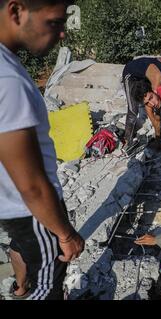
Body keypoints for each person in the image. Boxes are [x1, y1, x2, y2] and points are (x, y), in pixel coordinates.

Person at [0, 0, 84, 300]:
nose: (62, 33)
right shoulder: (8, 80)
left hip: (13, 207)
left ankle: (20, 288)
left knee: (25, 256)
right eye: (54, 22)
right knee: (48, 289)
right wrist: (67, 234)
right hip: (30, 211)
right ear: (16, 11)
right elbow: (32, 185)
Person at [122, 57, 161, 147]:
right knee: (133, 109)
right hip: (131, 75)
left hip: (144, 74)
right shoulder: (157, 78)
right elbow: (151, 105)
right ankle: (128, 140)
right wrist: (157, 126)